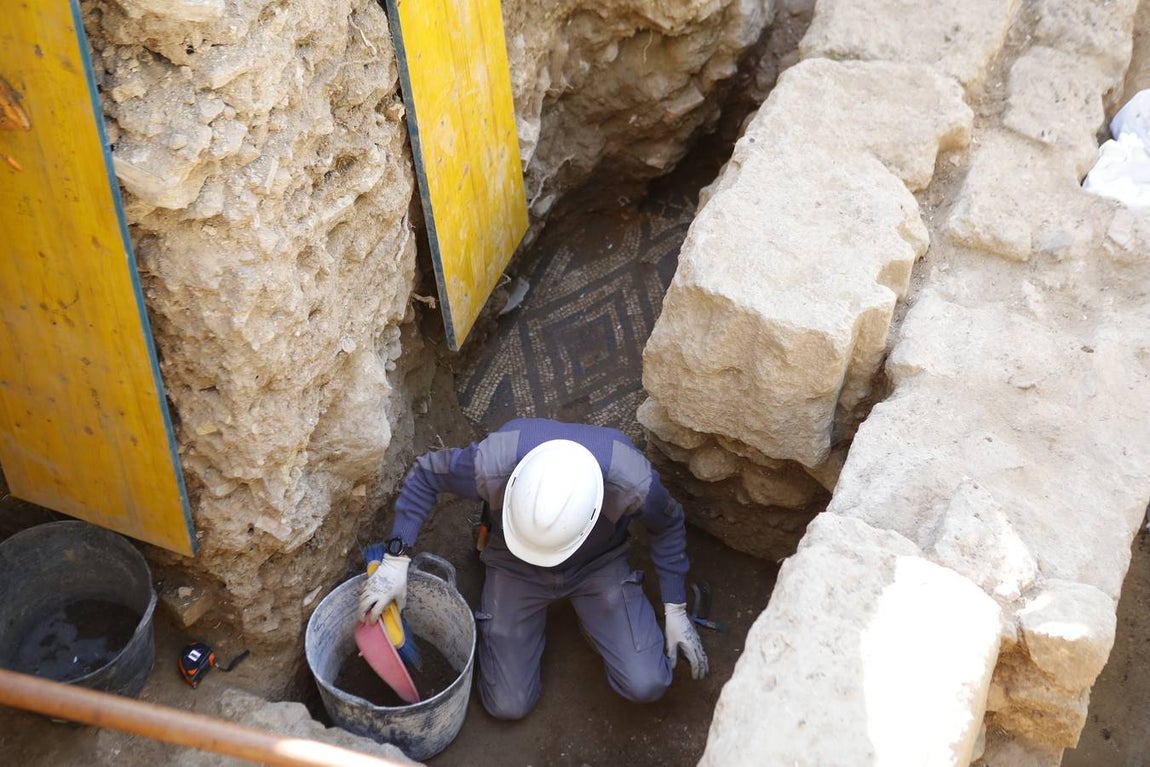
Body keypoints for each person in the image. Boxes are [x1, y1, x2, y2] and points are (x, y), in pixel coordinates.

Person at [358, 417, 708, 720]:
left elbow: (669, 524)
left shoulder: (632, 482)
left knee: (647, 682)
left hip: (597, 562)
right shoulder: (493, 463)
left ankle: (597, 622)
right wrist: (395, 558)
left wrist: (675, 608)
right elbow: (426, 475)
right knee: (507, 706)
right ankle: (585, 619)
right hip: (515, 563)